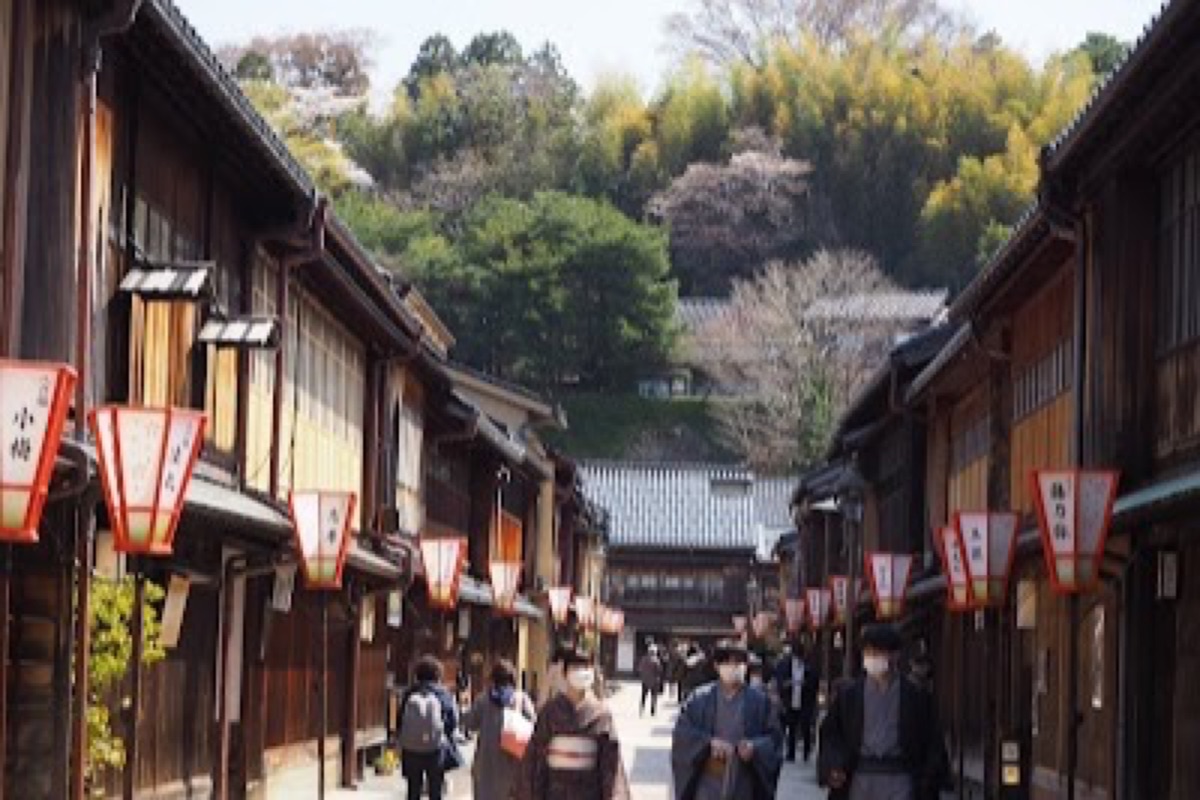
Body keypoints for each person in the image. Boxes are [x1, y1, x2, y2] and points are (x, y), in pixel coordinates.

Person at [817, 624, 950, 800]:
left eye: (878, 652)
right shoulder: (849, 695)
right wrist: (834, 764)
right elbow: (831, 735)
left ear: (895, 655)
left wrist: (929, 777)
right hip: (859, 776)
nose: (873, 658)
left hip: (901, 778)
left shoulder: (915, 695)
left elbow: (932, 739)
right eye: (868, 653)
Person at [512, 645, 631, 800]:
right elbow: (536, 758)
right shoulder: (550, 712)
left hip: (589, 791)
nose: (581, 672)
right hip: (554, 791)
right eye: (576, 667)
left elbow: (611, 764)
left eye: (586, 667)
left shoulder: (601, 715)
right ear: (565, 673)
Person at [671, 639, 784, 800]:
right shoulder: (699, 698)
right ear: (717, 666)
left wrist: (755, 747)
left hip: (744, 781)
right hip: (707, 781)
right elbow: (682, 734)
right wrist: (707, 743)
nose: (734, 667)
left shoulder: (760, 701)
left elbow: (775, 739)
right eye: (728, 663)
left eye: (739, 662)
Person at [461, 659, 536, 800]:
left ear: (493, 678)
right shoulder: (521, 699)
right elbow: (534, 727)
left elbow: (469, 724)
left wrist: (464, 706)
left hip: (485, 763)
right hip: (514, 760)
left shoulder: (483, 700)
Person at [397, 655, 460, 800]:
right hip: (435, 747)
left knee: (413, 789)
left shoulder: (409, 693)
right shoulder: (443, 693)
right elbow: (452, 721)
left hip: (411, 747)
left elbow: (400, 719)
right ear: (438, 674)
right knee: (435, 788)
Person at [772, 640, 820, 762]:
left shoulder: (809, 665)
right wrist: (785, 685)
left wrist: (805, 684)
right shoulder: (784, 664)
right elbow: (779, 680)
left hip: (805, 699)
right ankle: (791, 752)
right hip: (790, 698)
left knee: (805, 726)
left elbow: (815, 682)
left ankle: (806, 751)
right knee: (791, 726)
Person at [639, 644, 665, 717]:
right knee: (654, 697)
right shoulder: (656, 660)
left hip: (645, 680)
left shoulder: (643, 659)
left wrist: (643, 676)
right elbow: (659, 670)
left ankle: (641, 709)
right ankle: (653, 711)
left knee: (643, 696)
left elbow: (640, 669)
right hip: (654, 681)